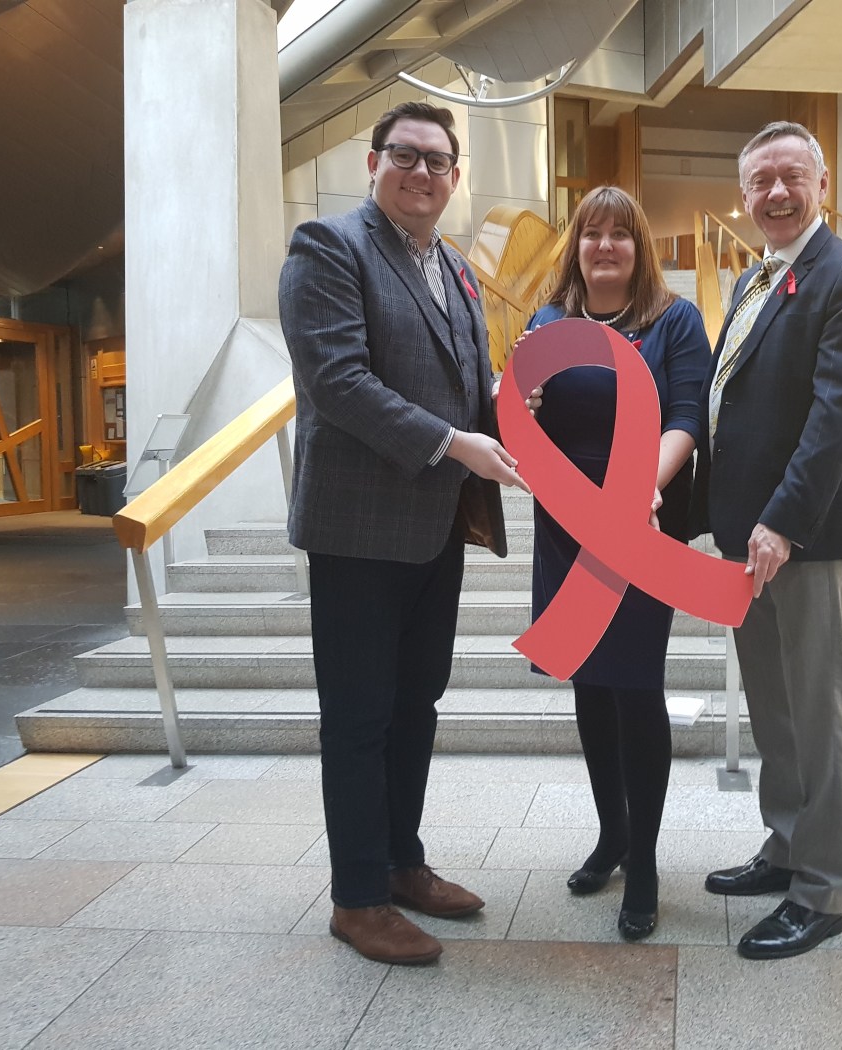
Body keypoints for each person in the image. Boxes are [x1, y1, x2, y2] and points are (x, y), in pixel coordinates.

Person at [278, 101, 529, 966]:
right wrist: (456, 442)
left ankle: (400, 863)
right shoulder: (328, 248)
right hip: (356, 528)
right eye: (406, 155)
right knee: (358, 717)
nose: (422, 172)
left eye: (438, 161)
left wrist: (511, 409)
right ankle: (357, 899)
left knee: (416, 704)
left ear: (455, 177)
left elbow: (469, 380)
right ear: (373, 162)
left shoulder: (453, 266)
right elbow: (339, 381)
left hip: (433, 526)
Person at [690, 121, 842, 960]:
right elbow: (729, 406)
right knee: (773, 709)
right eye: (760, 180)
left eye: (791, 176)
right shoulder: (753, 279)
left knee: (816, 712)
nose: (776, 192)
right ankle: (784, 845)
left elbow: (837, 413)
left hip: (798, 537)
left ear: (821, 184)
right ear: (744, 196)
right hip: (746, 538)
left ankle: (822, 889)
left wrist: (781, 519)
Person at [518, 186, 711, 941]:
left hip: (639, 521)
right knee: (591, 684)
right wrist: (522, 405)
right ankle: (612, 835)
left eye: (620, 234)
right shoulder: (546, 322)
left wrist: (641, 488)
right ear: (576, 245)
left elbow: (687, 417)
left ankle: (648, 862)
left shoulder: (674, 321)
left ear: (640, 248)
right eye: (592, 232)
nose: (604, 245)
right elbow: (524, 417)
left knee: (634, 685)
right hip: (566, 526)